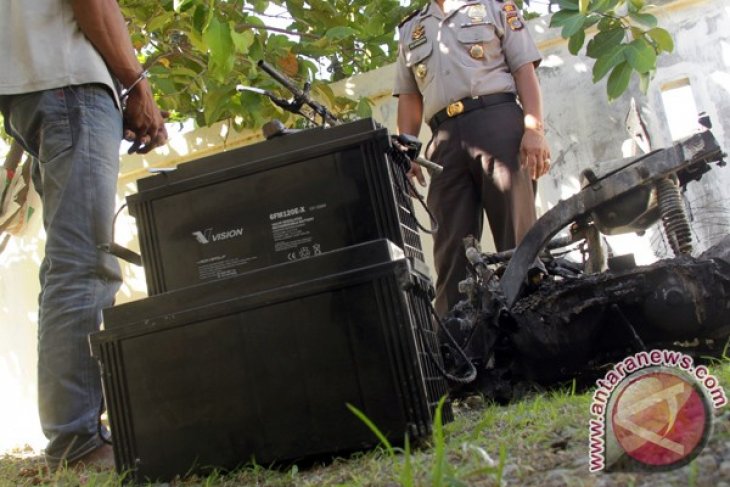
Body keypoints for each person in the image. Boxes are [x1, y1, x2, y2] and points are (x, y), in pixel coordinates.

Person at [0, 0, 167, 469]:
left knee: (67, 265)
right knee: (84, 263)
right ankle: (78, 442)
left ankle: (74, 433)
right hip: (69, 83)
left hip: (37, 89)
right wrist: (136, 83)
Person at [394, 0, 551, 317]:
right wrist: (407, 151)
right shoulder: (411, 28)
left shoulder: (494, 7)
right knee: (451, 249)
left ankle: (534, 324)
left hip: (497, 122)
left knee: (516, 237)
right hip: (443, 140)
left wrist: (534, 129)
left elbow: (523, 69)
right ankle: (460, 348)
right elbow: (410, 96)